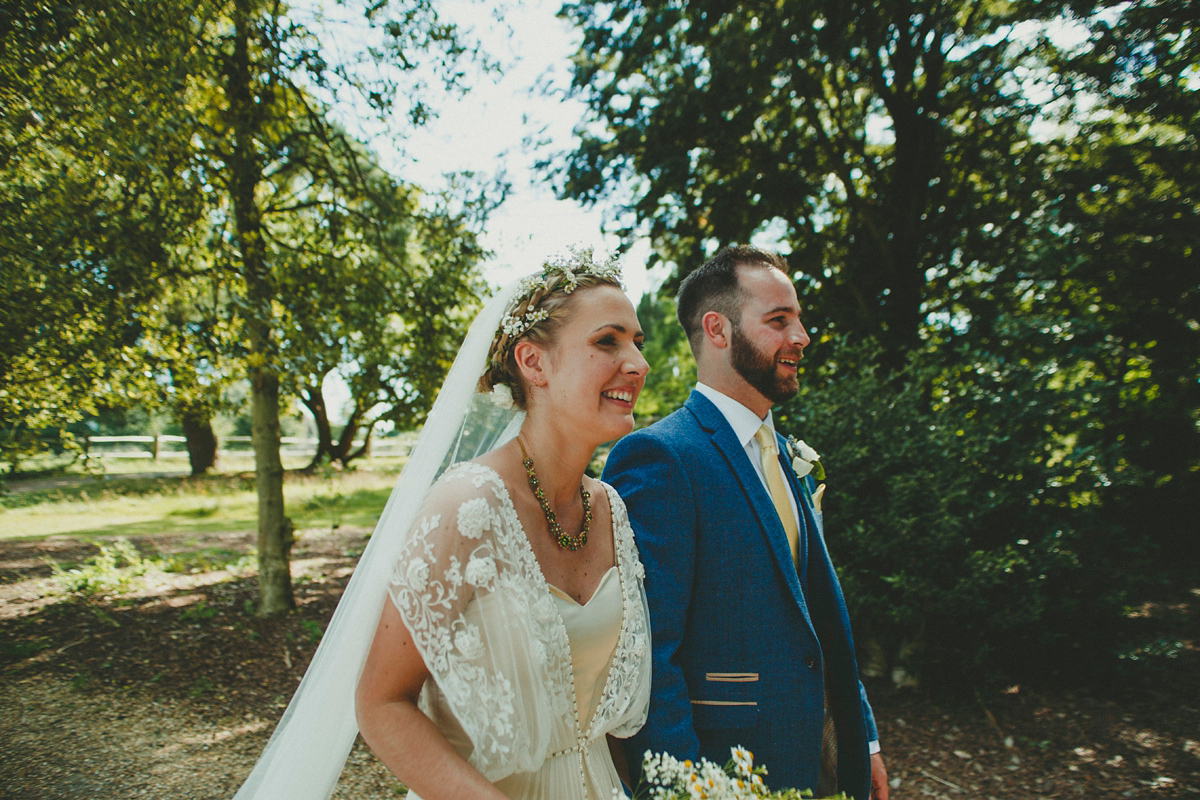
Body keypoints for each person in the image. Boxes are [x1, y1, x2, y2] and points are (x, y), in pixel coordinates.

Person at [233, 247, 652, 800]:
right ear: (534, 363)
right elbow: (382, 703)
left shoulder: (610, 509)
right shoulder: (465, 507)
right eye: (608, 341)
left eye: (637, 344)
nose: (638, 364)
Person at [602, 245, 890, 800]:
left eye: (799, 319)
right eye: (779, 321)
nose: (801, 336)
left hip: (822, 762)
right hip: (728, 773)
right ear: (718, 329)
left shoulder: (789, 456)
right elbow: (647, 655)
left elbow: (816, 617)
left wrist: (864, 737)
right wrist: (685, 790)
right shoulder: (662, 459)